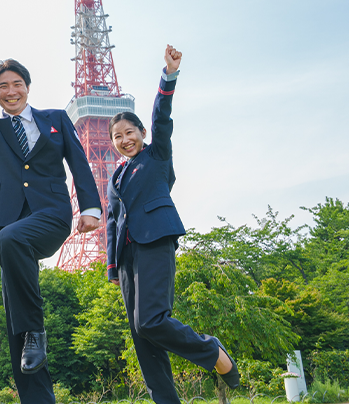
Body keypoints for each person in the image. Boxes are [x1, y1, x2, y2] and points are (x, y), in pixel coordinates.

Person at [0, 22, 102, 403]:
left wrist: (90, 208)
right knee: (15, 326)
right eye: (1, 87)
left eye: (16, 83)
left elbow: (81, 163)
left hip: (51, 214)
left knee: (8, 242)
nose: (10, 91)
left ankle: (36, 332)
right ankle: (37, 393)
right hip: (11, 228)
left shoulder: (55, 118)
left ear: (27, 86)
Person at [105, 45, 240, 404]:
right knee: (141, 335)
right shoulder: (115, 177)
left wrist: (169, 76)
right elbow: (111, 220)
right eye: (117, 137)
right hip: (127, 255)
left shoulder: (157, 154)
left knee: (151, 321)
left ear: (142, 132)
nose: (124, 140)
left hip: (156, 241)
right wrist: (112, 266)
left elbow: (163, 117)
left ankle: (212, 352)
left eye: (129, 132)